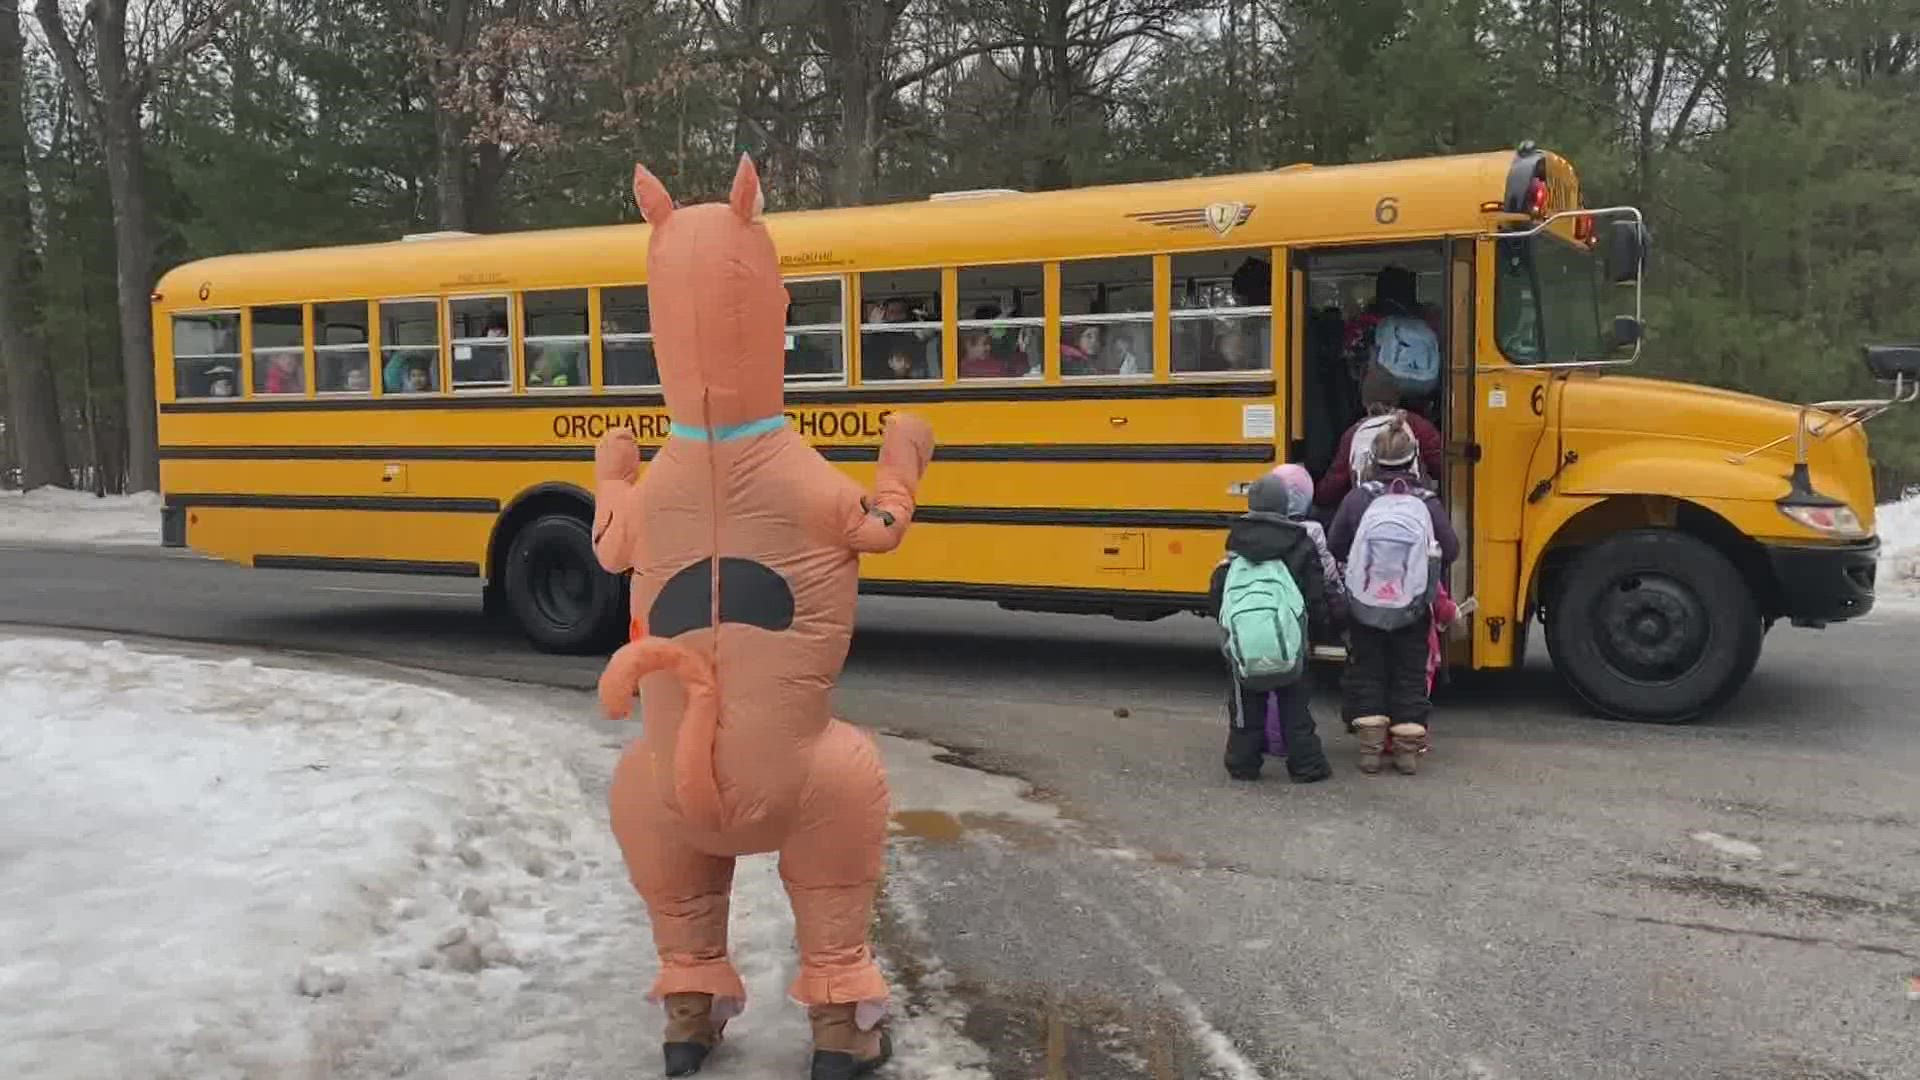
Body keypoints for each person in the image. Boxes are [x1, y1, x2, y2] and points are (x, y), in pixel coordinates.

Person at [1328, 421, 1459, 775]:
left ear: (1372, 458)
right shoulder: (1427, 501)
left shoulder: (1357, 498)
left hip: (1364, 603)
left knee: (1368, 671)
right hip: (1413, 607)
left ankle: (1370, 752)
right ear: (1413, 457)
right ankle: (1406, 754)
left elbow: (1335, 545)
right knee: (1409, 674)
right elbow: (1451, 549)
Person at [1208, 470, 1335, 784]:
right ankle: (1306, 766)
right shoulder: (1301, 543)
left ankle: (1243, 764)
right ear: (1284, 507)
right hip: (1290, 643)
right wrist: (1321, 627)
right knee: (1295, 708)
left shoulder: (1236, 544)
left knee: (1246, 709)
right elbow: (1316, 596)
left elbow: (1218, 598)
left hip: (1245, 645)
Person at [1315, 362, 1443, 511]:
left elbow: (1333, 486)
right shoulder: (1420, 427)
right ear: (1396, 397)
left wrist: (1315, 497)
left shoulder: (1354, 434)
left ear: (1364, 402)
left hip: (1368, 510)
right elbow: (1441, 467)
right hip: (1414, 508)